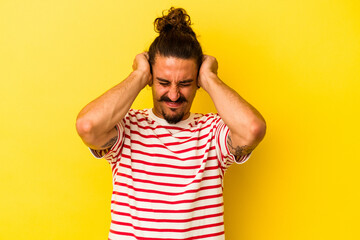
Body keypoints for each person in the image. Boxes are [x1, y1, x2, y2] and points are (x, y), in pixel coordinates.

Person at [76, 7, 266, 240]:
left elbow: (253, 129)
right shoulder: (126, 128)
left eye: (185, 83)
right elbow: (87, 127)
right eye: (163, 82)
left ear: (197, 82)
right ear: (150, 80)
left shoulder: (212, 132)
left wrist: (210, 78)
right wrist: (138, 74)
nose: (174, 95)